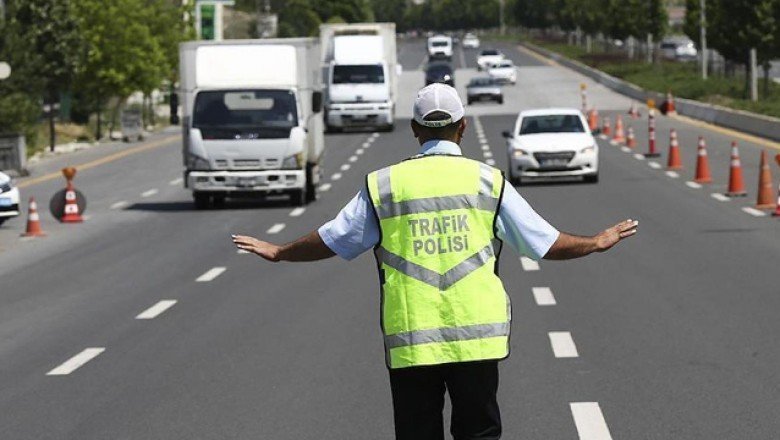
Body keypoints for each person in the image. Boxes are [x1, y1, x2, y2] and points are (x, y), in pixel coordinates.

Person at [232, 83, 639, 440]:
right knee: (478, 433)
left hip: (412, 339)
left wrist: (280, 252)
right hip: (477, 340)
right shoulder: (487, 181)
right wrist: (595, 242)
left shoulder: (385, 185)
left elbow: (334, 239)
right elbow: (544, 243)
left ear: (414, 130)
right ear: (462, 128)